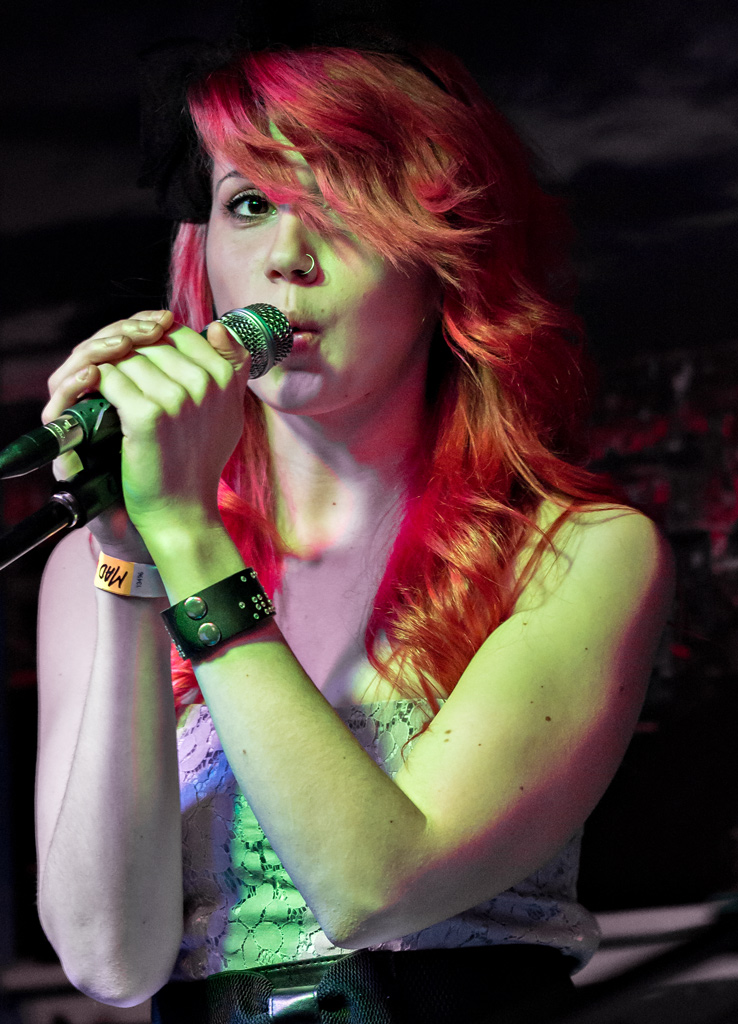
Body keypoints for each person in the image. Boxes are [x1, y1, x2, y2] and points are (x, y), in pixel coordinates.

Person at [33, 29, 673, 1024]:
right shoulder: (105, 566)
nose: (286, 258)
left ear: (443, 257)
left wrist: (191, 539)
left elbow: (373, 886)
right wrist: (128, 562)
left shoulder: (580, 553)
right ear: (203, 253)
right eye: (250, 204)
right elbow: (109, 957)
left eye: (342, 206)